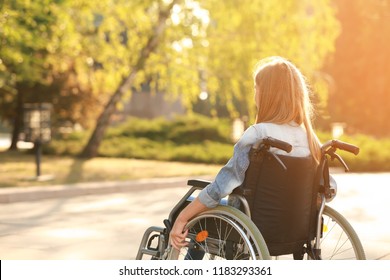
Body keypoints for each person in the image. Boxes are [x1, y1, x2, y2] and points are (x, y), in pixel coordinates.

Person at [169, 56, 322, 251]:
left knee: (189, 214)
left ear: (267, 94)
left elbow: (223, 185)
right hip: (293, 230)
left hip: (249, 227)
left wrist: (183, 217)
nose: (255, 94)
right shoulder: (309, 138)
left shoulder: (259, 135)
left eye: (256, 88)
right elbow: (326, 189)